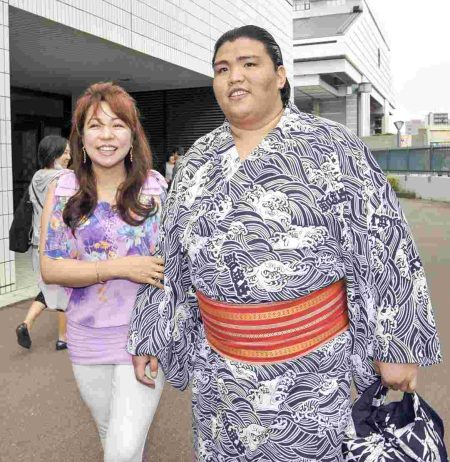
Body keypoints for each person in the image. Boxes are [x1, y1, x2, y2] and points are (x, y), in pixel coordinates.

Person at [128, 26, 442, 461]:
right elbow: (169, 255)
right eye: (222, 69)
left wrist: (398, 347)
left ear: (279, 76)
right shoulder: (198, 158)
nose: (234, 77)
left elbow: (387, 246)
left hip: (309, 372)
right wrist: (150, 334)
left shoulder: (333, 146)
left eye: (248, 64)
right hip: (220, 374)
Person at [39, 82, 166, 462]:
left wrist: (158, 333)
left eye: (117, 125)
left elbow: (169, 268)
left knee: (121, 450)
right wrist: (118, 267)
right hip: (87, 334)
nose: (107, 136)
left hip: (142, 335)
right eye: (95, 126)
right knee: (112, 433)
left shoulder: (154, 187)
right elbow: (50, 267)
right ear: (80, 137)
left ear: (132, 135)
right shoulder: (64, 189)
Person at [16, 135, 71, 350]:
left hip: (37, 245)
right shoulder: (66, 178)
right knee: (65, 289)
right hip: (58, 244)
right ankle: (63, 338)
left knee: (49, 287)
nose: (69, 156)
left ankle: (26, 323)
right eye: (65, 152)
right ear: (54, 154)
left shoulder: (36, 177)